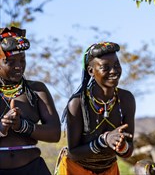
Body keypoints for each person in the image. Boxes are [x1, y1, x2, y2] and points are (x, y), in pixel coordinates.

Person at [57, 42, 136, 175]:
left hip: (109, 170)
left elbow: (128, 150)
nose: (114, 71)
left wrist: (122, 147)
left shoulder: (126, 100)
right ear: (91, 71)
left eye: (117, 65)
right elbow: (74, 152)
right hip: (75, 170)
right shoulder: (77, 104)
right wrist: (103, 140)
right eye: (106, 67)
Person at [0, 27, 61, 174]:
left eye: (22, 60)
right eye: (10, 61)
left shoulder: (36, 90)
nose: (18, 66)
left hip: (33, 169)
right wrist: (1, 128)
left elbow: (55, 133)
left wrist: (23, 126)